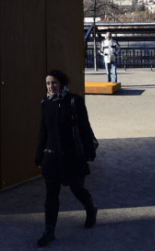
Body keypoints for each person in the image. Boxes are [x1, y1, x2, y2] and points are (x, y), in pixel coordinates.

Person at [34, 69, 98, 247]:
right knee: (51, 196)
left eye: (54, 82)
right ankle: (49, 230)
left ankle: (91, 210)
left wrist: (89, 151)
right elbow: (43, 131)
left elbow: (84, 127)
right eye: (48, 83)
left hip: (72, 156)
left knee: (77, 189)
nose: (50, 86)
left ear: (61, 83)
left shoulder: (74, 101)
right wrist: (39, 154)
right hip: (52, 157)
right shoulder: (46, 102)